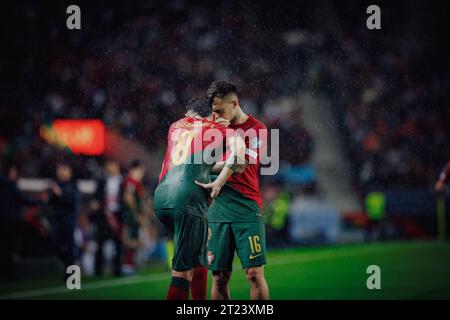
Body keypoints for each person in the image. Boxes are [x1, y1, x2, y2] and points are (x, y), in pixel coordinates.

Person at [153, 97, 245, 300]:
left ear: (188, 113)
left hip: (162, 196)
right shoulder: (216, 129)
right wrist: (221, 180)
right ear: (212, 114)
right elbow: (239, 158)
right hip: (187, 199)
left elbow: (187, 162)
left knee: (198, 256)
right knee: (182, 273)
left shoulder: (175, 126)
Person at [199, 80, 270, 300]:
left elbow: (240, 164)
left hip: (246, 207)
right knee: (219, 276)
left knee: (254, 274)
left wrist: (208, 165)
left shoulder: (257, 130)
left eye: (220, 111)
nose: (217, 116)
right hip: (217, 208)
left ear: (235, 103)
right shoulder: (211, 131)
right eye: (214, 112)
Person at [0, 163, 44, 281]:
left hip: (4, 220)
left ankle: (6, 273)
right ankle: (9, 274)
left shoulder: (4, 185)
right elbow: (22, 199)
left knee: (5, 248)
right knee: (9, 248)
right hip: (10, 221)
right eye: (14, 171)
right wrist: (39, 200)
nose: (15, 174)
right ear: (10, 172)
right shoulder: (10, 184)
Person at [91, 159, 124, 277]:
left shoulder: (123, 181)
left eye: (112, 165)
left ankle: (117, 269)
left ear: (117, 166)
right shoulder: (102, 181)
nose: (110, 168)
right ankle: (98, 271)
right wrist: (95, 204)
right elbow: (96, 197)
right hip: (103, 216)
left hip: (118, 216)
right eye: (108, 165)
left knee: (118, 245)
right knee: (100, 243)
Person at [48, 161, 81, 277]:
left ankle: (72, 274)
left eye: (63, 169)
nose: (61, 172)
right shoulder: (54, 184)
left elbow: (73, 201)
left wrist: (60, 194)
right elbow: (50, 202)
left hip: (68, 218)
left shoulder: (73, 184)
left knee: (69, 246)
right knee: (56, 245)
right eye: (59, 169)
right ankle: (69, 264)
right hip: (57, 219)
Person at [121, 159, 146, 274]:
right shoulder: (130, 182)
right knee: (131, 240)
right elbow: (128, 197)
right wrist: (136, 213)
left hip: (134, 215)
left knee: (134, 239)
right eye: (140, 171)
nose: (142, 174)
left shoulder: (137, 183)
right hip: (130, 215)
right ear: (133, 170)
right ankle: (127, 265)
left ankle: (130, 264)